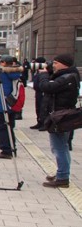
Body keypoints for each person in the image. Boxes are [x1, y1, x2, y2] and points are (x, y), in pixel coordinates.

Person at [38, 54, 79, 188]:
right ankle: (62, 173)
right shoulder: (68, 76)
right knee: (62, 146)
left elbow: (47, 87)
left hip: (60, 117)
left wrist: (44, 76)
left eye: (56, 63)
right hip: (61, 115)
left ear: (64, 64)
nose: (53, 65)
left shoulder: (67, 78)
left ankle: (62, 177)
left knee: (59, 147)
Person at [30, 57, 47, 129]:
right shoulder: (37, 70)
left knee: (43, 108)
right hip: (37, 92)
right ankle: (39, 122)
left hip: (42, 92)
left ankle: (44, 123)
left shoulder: (45, 70)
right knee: (38, 108)